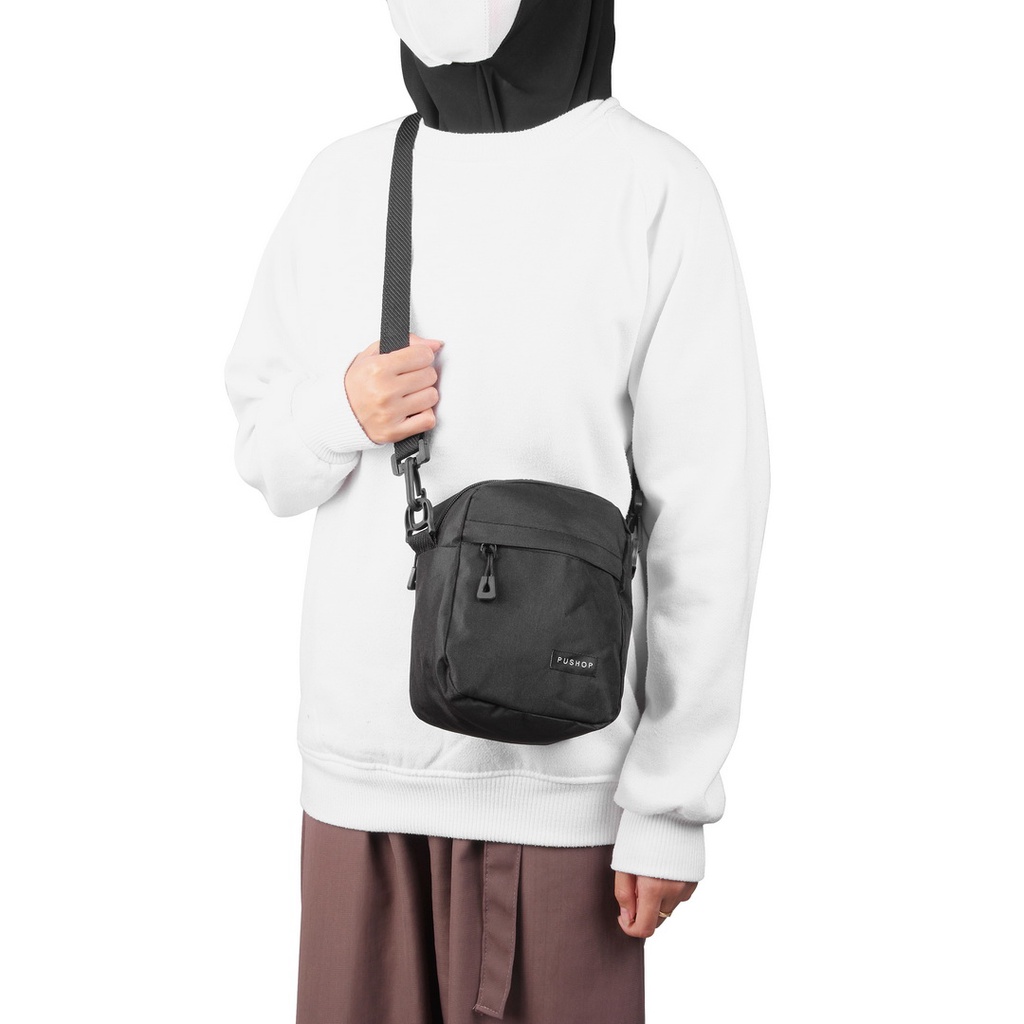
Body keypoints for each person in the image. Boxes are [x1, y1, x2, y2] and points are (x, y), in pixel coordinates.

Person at [223, 1, 770, 1021]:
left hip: (567, 793)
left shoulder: (653, 187)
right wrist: (340, 408)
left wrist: (670, 800)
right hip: (359, 782)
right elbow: (264, 453)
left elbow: (708, 516)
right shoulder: (343, 182)